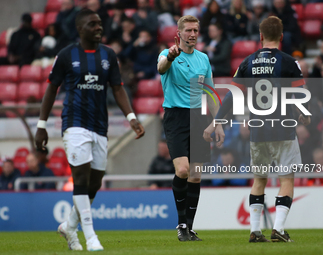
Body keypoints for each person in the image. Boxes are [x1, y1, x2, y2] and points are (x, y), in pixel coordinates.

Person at [35, 9, 145, 251]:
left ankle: (69, 227)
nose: (99, 27)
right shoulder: (66, 55)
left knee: (94, 183)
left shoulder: (108, 55)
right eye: (93, 24)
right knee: (81, 178)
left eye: (99, 23)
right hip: (74, 124)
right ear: (80, 29)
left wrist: (131, 117)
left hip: (99, 126)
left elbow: (117, 88)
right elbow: (51, 89)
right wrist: (41, 126)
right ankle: (91, 235)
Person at [203, 16, 311, 242]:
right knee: (286, 179)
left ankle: (254, 231)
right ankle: (279, 229)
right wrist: (304, 113)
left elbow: (233, 97)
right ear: (281, 37)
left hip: (258, 130)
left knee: (259, 179)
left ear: (260, 37)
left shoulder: (247, 63)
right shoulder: (290, 63)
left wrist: (217, 121)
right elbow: (300, 96)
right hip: (282, 129)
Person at [157, 15, 224, 241]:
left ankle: (189, 228)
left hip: (200, 116)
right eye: (188, 30)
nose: (193, 34)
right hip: (176, 115)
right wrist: (170, 56)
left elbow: (210, 93)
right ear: (179, 33)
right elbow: (161, 67)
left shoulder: (203, 59)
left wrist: (218, 124)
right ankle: (181, 223)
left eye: (195, 30)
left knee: (195, 175)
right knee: (183, 170)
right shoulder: (168, 54)